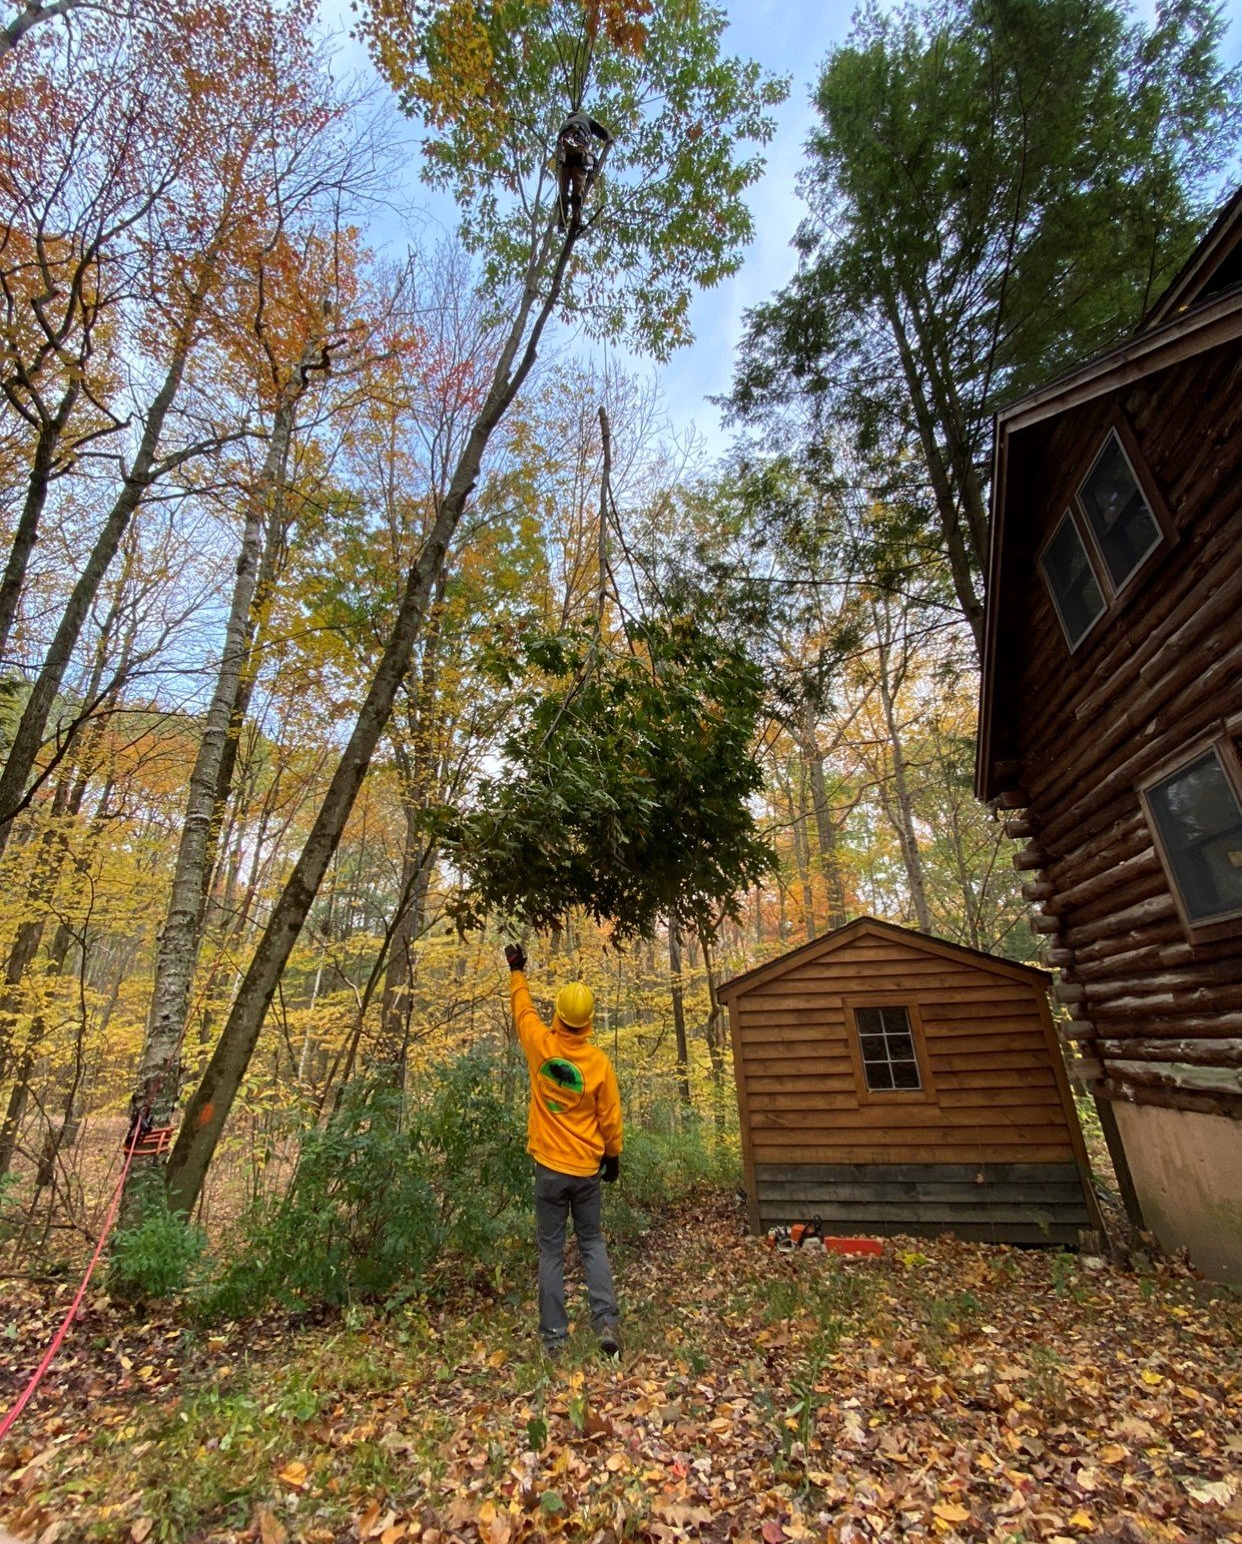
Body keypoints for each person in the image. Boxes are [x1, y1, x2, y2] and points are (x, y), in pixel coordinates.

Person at [505, 942, 622, 1358]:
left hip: (549, 1170)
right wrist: (613, 1155)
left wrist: (518, 971)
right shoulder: (598, 1064)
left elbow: (523, 1012)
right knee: (592, 1242)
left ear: (558, 1014)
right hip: (587, 1171)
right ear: (589, 1021)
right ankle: (606, 1323)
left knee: (551, 1251)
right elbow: (608, 1118)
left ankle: (554, 1341)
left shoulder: (541, 1044)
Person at [555, 107, 612, 230]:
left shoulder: (564, 125)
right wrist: (609, 137)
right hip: (578, 152)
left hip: (564, 155)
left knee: (563, 191)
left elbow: (559, 146)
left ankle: (562, 222)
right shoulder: (584, 117)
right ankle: (575, 221)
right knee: (577, 189)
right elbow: (602, 133)